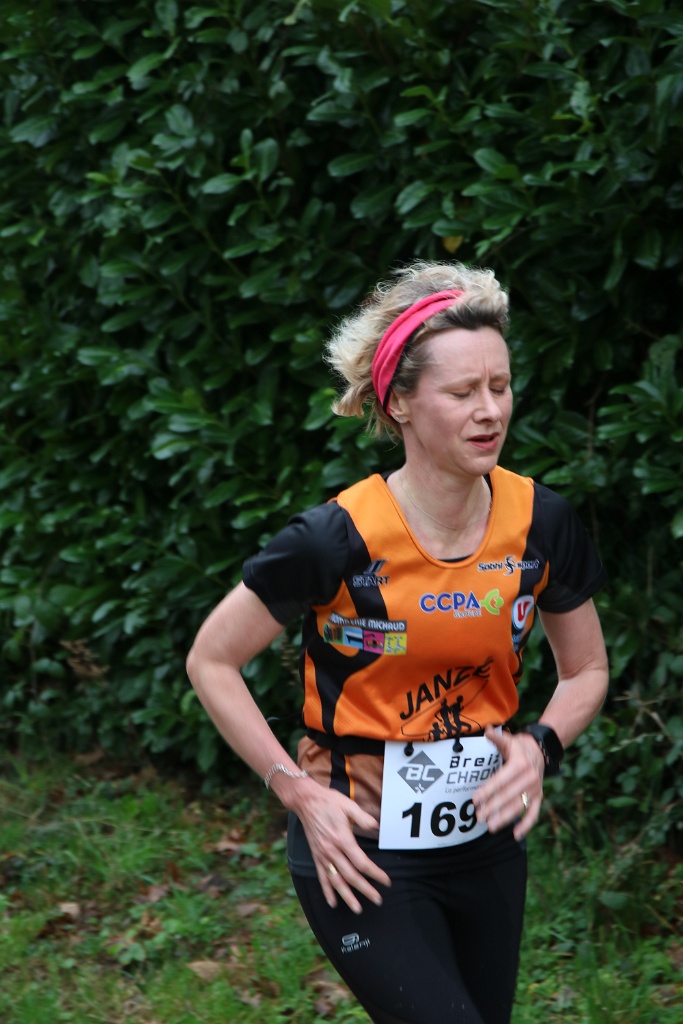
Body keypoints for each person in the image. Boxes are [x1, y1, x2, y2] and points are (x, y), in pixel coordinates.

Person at [186, 260, 609, 1024]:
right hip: (359, 847)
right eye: (462, 392)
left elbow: (584, 670)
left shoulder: (540, 521)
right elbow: (211, 660)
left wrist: (539, 747)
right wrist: (296, 792)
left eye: (500, 386)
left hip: (486, 840)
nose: (489, 411)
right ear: (399, 403)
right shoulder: (334, 538)